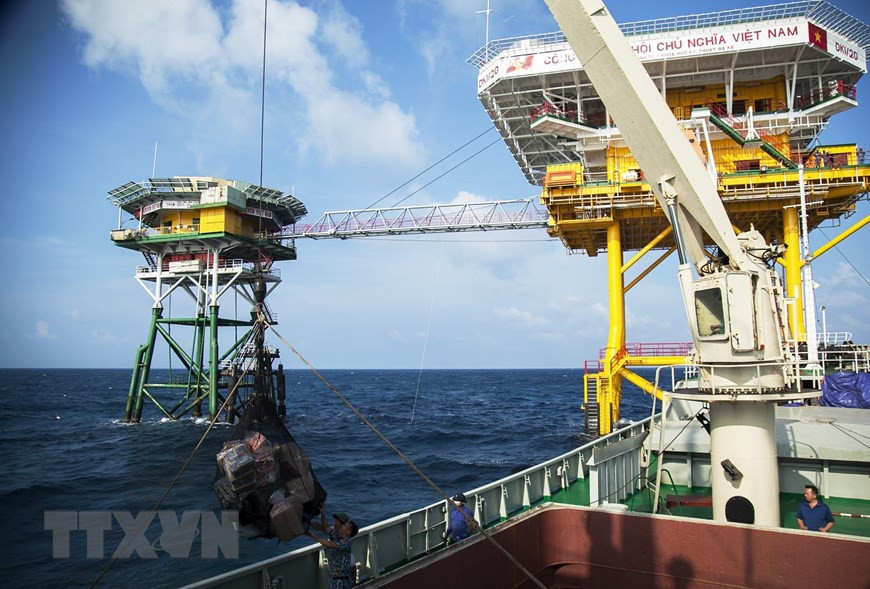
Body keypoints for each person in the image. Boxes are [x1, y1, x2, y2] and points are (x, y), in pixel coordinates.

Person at [307, 506, 359, 588]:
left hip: (342, 579)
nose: (342, 526)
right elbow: (326, 527)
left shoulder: (347, 542)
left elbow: (331, 544)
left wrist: (314, 536)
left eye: (345, 526)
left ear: (349, 532)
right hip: (334, 578)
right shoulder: (336, 534)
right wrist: (322, 513)